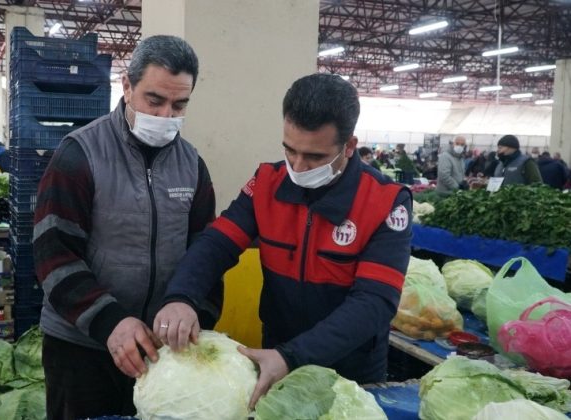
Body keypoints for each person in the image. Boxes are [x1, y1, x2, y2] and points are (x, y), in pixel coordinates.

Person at [155, 74, 412, 409]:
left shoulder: (385, 202)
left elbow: (374, 302)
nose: (298, 166)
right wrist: (181, 296)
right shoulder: (267, 183)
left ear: (350, 146)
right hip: (274, 358)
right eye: (289, 150)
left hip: (350, 370)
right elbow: (216, 243)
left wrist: (293, 356)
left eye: (316, 157)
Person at [32, 35, 223, 419]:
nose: (167, 115)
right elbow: (54, 254)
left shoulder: (191, 164)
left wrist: (192, 310)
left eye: (179, 104)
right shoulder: (80, 153)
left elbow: (205, 250)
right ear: (127, 86)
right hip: (83, 349)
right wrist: (109, 321)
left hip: (163, 353)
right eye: (155, 100)